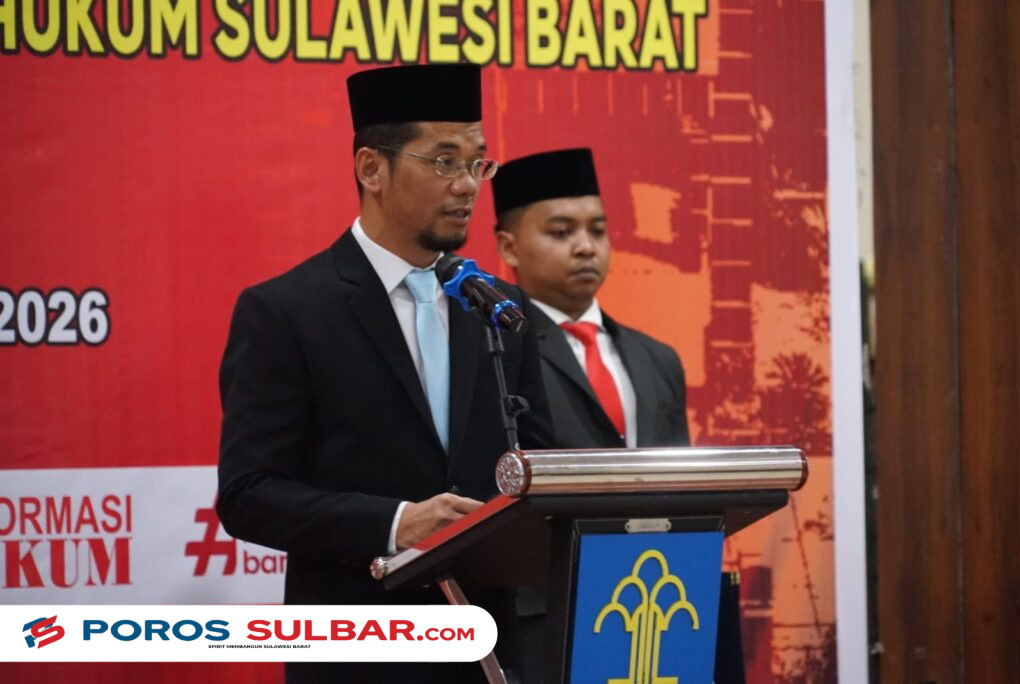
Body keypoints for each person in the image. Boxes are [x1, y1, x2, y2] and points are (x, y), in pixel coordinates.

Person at [217, 63, 551, 684]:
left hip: (487, 650)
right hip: (358, 651)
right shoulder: (287, 311)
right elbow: (249, 495)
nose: (467, 185)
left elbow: (539, 461)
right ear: (372, 169)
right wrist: (398, 522)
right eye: (444, 162)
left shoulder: (498, 307)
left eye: (477, 163)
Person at [493, 148, 690, 450]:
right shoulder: (497, 353)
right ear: (509, 248)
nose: (586, 247)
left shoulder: (658, 359)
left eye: (598, 231)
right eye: (561, 232)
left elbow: (681, 473)